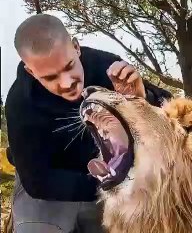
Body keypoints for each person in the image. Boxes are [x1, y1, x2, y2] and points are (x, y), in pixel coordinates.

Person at [5, 14, 172, 233]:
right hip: (50, 186)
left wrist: (141, 98)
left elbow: (168, 109)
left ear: (76, 47)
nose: (67, 83)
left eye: (69, 66)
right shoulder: (20, 104)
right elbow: (38, 181)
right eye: (50, 77)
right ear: (31, 71)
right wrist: (113, 185)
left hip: (114, 173)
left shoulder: (108, 66)